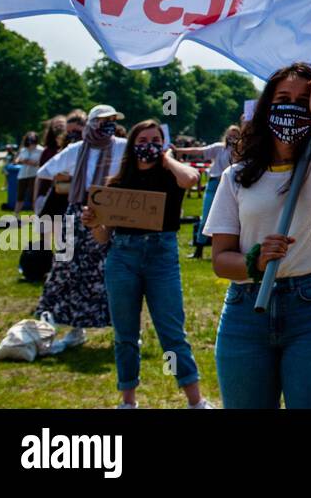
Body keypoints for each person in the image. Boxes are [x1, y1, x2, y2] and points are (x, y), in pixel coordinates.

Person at [204, 63, 311, 408]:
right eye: (283, 98)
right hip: (247, 312)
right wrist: (254, 260)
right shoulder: (236, 176)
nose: (293, 106)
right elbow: (220, 260)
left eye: (303, 100)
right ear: (266, 107)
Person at [80, 119, 212, 409]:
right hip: (122, 259)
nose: (148, 146)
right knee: (125, 334)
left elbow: (191, 180)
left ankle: (195, 401)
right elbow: (103, 238)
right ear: (132, 145)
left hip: (161, 259)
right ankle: (128, 400)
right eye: (142, 141)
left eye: (155, 140)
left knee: (172, 332)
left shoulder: (170, 177)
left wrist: (166, 157)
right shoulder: (117, 183)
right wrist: (93, 223)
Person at [33, 104, 127, 351]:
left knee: (109, 270)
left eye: (112, 120)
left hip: (109, 211)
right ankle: (75, 329)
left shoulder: (121, 146)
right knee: (68, 268)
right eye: (104, 120)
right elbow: (45, 172)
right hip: (77, 212)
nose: (108, 125)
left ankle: (125, 330)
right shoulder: (76, 150)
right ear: (93, 123)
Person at [176, 126, 241, 260]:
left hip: (233, 185)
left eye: (235, 135)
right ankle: (198, 250)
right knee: (206, 217)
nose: (232, 138)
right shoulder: (218, 148)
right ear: (226, 135)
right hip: (214, 184)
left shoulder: (241, 151)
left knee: (234, 219)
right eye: (230, 135)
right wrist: (179, 150)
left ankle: (233, 250)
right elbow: (198, 151)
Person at [13, 132, 42, 220]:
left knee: (33, 197)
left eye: (32, 139)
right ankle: (16, 216)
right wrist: (21, 160)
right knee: (20, 196)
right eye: (29, 139)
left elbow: (40, 163)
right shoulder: (23, 149)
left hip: (34, 175)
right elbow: (17, 160)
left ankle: (36, 216)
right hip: (23, 175)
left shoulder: (40, 150)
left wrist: (29, 162)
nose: (31, 141)